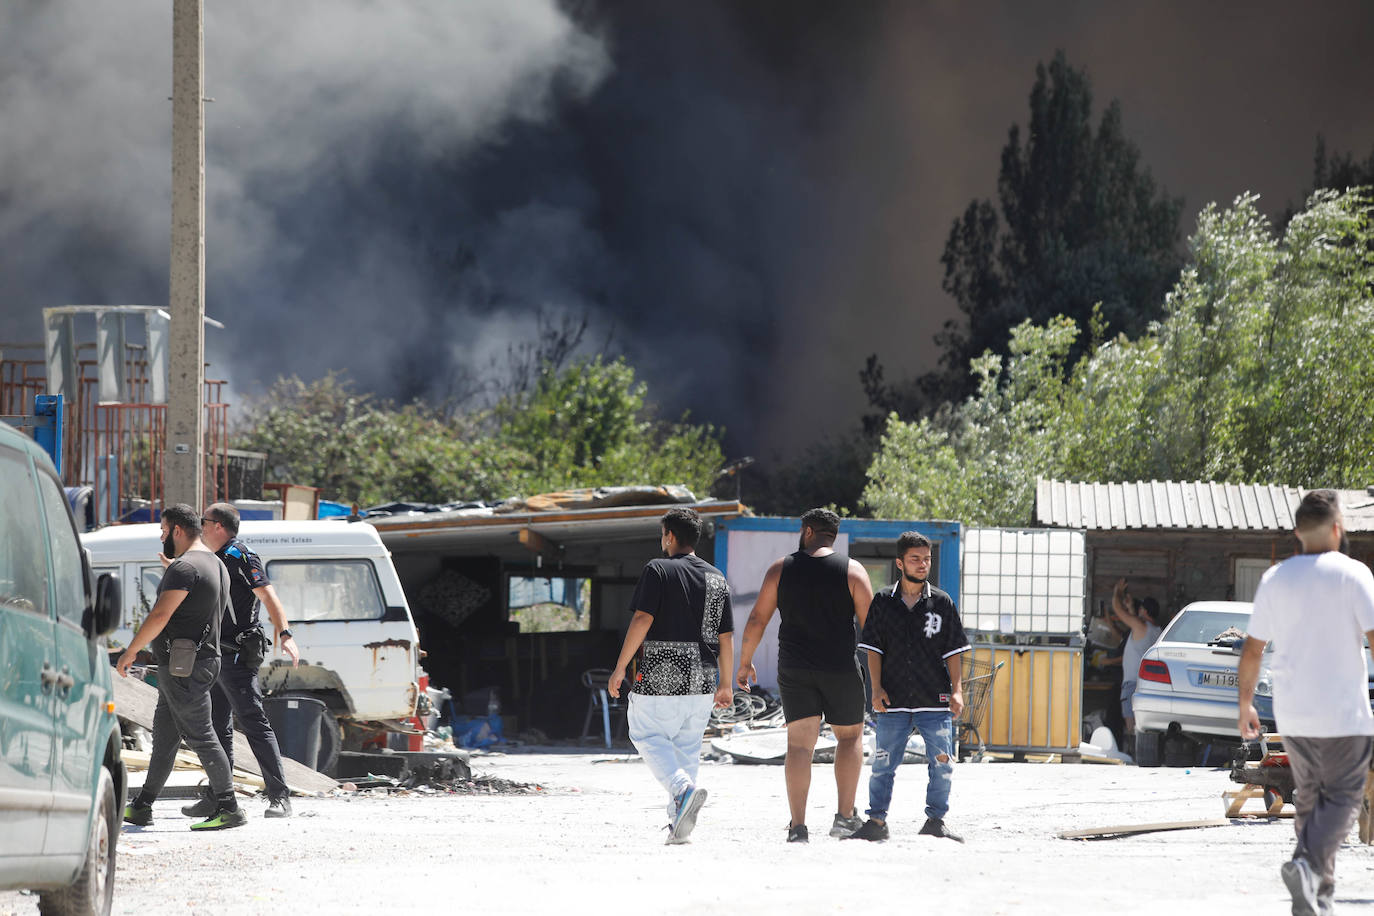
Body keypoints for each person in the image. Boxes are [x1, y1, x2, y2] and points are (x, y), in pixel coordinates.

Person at [1239, 490, 1374, 915]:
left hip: (1294, 714)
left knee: (1312, 801)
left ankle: (1319, 896)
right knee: (1346, 799)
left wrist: (1245, 703)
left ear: (1297, 533)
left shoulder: (1275, 579)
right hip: (1344, 716)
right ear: (1338, 530)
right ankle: (1305, 866)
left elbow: (1252, 649)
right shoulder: (1354, 575)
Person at [735, 508, 874, 843]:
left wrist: (745, 662)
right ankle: (844, 817)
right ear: (834, 535)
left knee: (799, 746)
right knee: (850, 738)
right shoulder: (853, 571)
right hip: (840, 666)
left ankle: (798, 827)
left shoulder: (781, 569)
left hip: (794, 667)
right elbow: (874, 628)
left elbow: (757, 619)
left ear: (808, 531)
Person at [608, 507, 734, 844]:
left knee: (646, 735)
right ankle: (679, 824)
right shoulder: (717, 578)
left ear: (670, 536)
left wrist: (620, 667)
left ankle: (680, 790)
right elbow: (725, 636)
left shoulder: (657, 569)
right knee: (686, 750)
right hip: (704, 681)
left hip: (664, 674)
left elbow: (642, 620)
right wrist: (725, 683)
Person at [116, 504, 246, 831]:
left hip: (183, 668)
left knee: (201, 734)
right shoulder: (214, 564)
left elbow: (160, 616)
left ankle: (229, 807)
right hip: (199, 662)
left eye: (163, 531)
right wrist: (174, 568)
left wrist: (130, 651)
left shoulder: (185, 569)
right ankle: (143, 805)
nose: (162, 537)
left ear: (176, 530)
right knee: (164, 737)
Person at [180, 502, 300, 819]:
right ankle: (219, 796)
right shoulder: (208, 558)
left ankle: (280, 797)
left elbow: (268, 596)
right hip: (211, 655)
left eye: (204, 521)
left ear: (219, 526)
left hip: (236, 654)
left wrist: (285, 633)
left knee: (254, 723)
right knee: (217, 728)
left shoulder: (241, 556)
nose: (200, 526)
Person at [846, 531, 969, 843]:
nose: (922, 564)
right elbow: (873, 649)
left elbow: (953, 650)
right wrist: (875, 689)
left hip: (934, 697)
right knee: (883, 764)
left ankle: (936, 820)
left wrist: (957, 690)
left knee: (942, 764)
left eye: (926, 559)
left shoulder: (942, 602)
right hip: (894, 697)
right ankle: (876, 821)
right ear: (900, 562)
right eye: (915, 559)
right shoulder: (883, 602)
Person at [1111, 577, 1162, 757]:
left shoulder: (1141, 626)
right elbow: (1136, 623)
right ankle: (1142, 756)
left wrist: (1117, 591)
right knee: (1143, 726)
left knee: (1131, 727)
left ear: (1144, 611)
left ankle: (1132, 759)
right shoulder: (1158, 631)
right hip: (1147, 685)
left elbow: (1118, 610)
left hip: (1131, 684)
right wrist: (1131, 606)